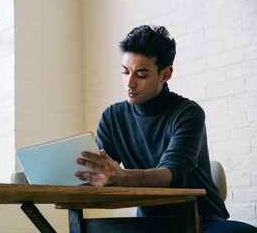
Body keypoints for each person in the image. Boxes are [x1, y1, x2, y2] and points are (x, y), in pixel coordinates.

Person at [75, 25, 257, 233]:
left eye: (141, 75)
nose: (129, 83)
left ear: (166, 74)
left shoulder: (187, 113)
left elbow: (173, 173)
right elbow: (100, 170)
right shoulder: (112, 116)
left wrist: (122, 176)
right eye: (125, 72)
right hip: (150, 225)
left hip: (201, 221)